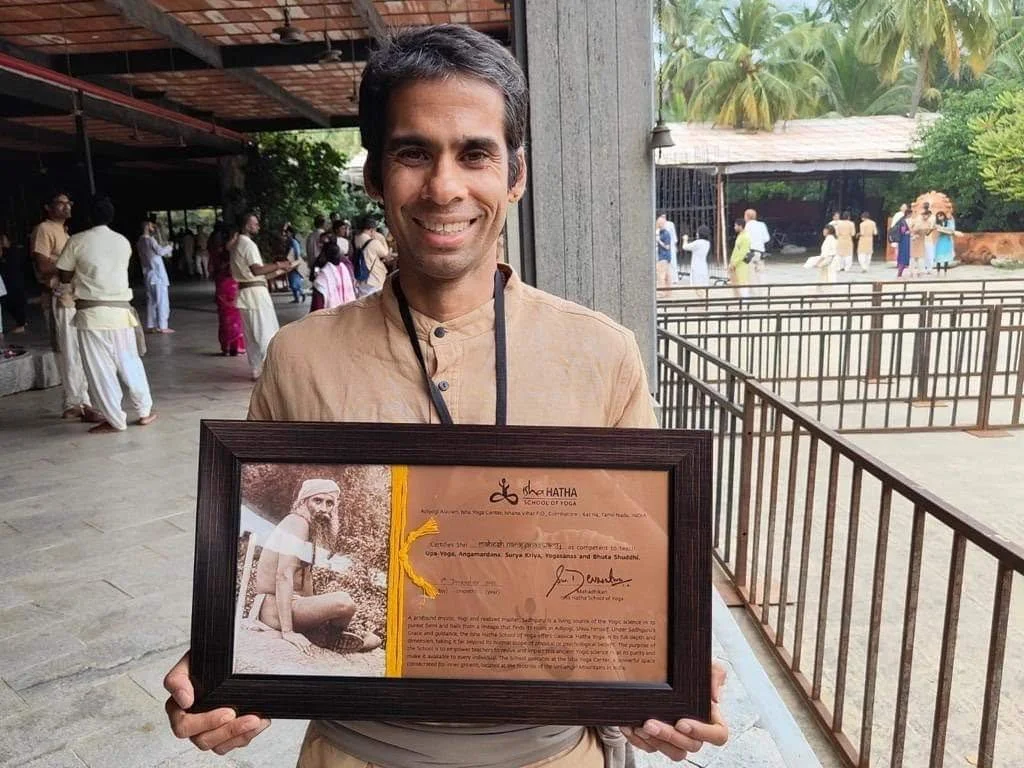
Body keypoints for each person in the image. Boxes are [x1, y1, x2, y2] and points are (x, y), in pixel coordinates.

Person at [164, 24, 728, 768]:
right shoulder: (301, 358)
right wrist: (218, 667)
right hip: (355, 754)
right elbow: (255, 547)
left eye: (475, 153)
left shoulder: (600, 354)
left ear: (516, 174)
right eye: (412, 153)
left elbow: (643, 566)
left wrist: (669, 679)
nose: (444, 187)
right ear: (375, 175)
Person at [243, 479, 381, 654]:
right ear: (303, 502)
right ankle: (331, 639)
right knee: (344, 602)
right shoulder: (297, 523)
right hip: (273, 609)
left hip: (294, 606)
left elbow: (306, 579)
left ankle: (329, 638)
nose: (324, 508)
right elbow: (283, 575)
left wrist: (314, 615)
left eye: (329, 503)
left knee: (374, 639)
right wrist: (288, 632)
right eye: (318, 500)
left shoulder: (310, 528)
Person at [55, 196, 157, 434]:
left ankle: (115, 419)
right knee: (130, 363)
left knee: (100, 370)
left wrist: (73, 280)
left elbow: (63, 273)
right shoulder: (122, 241)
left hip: (91, 315)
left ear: (87, 217)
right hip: (121, 312)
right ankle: (144, 411)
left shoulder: (76, 241)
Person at [31, 190, 101, 422]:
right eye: (60, 203)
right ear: (48, 207)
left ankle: (78, 400)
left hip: (72, 298)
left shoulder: (64, 232)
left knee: (76, 351)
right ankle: (77, 402)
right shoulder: (44, 229)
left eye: (68, 202)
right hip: (59, 299)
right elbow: (43, 266)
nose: (66, 206)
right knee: (69, 351)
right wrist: (72, 262)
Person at [230, 212, 293, 380]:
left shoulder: (237, 243)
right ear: (247, 225)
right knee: (265, 332)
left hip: (247, 293)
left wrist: (279, 270)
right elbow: (256, 270)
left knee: (252, 336)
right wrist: (279, 264)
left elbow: (256, 275)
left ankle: (258, 369)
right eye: (255, 223)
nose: (258, 226)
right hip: (255, 296)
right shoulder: (247, 244)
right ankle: (270, 371)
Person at [208, 224, 246, 357]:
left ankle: (226, 347)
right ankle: (236, 346)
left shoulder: (215, 252)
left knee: (224, 317)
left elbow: (211, 270)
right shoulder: (231, 253)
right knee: (235, 316)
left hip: (221, 286)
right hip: (232, 285)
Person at [138, 219, 175, 334]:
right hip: (157, 274)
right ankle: (163, 326)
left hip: (148, 274)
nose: (153, 228)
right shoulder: (150, 240)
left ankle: (151, 325)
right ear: (147, 227)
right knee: (162, 301)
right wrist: (170, 246)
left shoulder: (140, 241)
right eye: (151, 226)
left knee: (151, 301)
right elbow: (160, 252)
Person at [310, 241, 356, 311]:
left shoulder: (322, 278)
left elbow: (317, 306)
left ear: (324, 254)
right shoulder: (345, 268)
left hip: (330, 315)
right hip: (347, 312)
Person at [352, 215, 389, 297]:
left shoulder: (355, 239)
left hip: (361, 277)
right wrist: (382, 239)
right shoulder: (374, 242)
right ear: (372, 229)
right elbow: (386, 254)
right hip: (374, 278)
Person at [0, 232, 27, 334]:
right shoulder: (5, 251)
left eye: (3, 239)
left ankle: (21, 324)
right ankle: (21, 322)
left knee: (16, 302)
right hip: (7, 281)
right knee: (8, 302)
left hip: (15, 281)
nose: (1, 242)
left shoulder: (14, 251)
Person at [742, 209, 769, 282]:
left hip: (749, 252)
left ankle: (752, 285)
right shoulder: (762, 224)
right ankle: (763, 285)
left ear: (746, 216)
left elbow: (744, 239)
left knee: (748, 270)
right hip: (760, 251)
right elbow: (767, 238)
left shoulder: (746, 226)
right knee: (761, 271)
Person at [910, 207, 935, 279]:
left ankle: (920, 271)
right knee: (914, 257)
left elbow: (927, 233)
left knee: (921, 256)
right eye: (924, 215)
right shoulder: (918, 221)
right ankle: (912, 271)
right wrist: (913, 235)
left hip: (922, 240)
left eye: (927, 215)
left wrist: (931, 230)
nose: (926, 216)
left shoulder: (928, 222)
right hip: (915, 240)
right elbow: (912, 229)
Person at [283, 227, 306, 304]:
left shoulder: (293, 242)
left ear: (291, 233)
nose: (286, 234)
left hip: (294, 264)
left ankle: (302, 293)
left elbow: (297, 253)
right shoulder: (288, 242)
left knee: (294, 282)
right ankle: (296, 298)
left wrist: (296, 263)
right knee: (292, 281)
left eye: (287, 232)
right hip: (289, 263)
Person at [892, 208, 912, 279]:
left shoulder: (902, 220)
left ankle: (900, 273)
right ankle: (899, 274)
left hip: (904, 240)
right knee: (903, 256)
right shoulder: (903, 221)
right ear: (908, 214)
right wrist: (909, 232)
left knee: (903, 256)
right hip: (904, 240)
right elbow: (903, 231)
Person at [655, 214, 672, 288]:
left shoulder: (665, 233)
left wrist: (659, 241)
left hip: (663, 256)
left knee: (661, 275)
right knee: (667, 275)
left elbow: (667, 247)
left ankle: (662, 290)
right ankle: (668, 291)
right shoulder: (662, 232)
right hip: (665, 256)